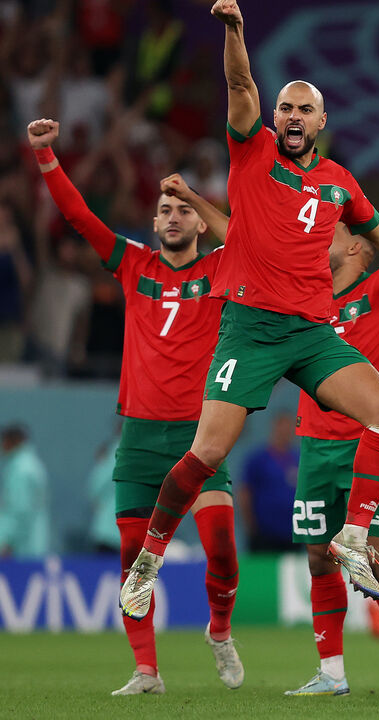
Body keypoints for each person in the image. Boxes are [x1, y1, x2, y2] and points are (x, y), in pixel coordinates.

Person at [119, 0, 379, 620]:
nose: (290, 116)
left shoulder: (339, 182)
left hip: (310, 332)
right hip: (251, 329)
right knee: (205, 454)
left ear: (320, 122)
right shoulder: (252, 151)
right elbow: (238, 82)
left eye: (302, 109)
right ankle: (148, 560)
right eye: (283, 107)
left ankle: (357, 538)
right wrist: (235, 31)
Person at [176, 184, 379, 693]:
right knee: (317, 556)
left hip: (369, 445)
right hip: (316, 446)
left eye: (335, 229)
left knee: (375, 555)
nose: (320, 234)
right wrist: (195, 200)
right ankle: (331, 672)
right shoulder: (304, 302)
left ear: (356, 247)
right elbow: (241, 241)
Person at [26, 120, 243, 695]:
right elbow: (77, 217)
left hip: (201, 439)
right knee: (132, 561)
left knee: (221, 544)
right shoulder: (133, 265)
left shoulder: (219, 270)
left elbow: (246, 240)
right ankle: (146, 672)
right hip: (141, 440)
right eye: (165, 209)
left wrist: (199, 193)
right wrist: (47, 157)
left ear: (200, 220)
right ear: (153, 222)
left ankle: (219, 631)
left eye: (183, 209)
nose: (173, 216)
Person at [238, 413, 300, 551]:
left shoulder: (298, 458)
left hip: (292, 533)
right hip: (265, 533)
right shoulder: (259, 459)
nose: (285, 432)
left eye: (288, 429)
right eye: (281, 428)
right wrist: (251, 526)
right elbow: (245, 492)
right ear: (274, 429)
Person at [0, 425, 49, 559]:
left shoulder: (19, 470)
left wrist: (7, 542)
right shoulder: (33, 465)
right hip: (35, 541)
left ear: (12, 442)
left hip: (21, 547)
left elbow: (20, 511)